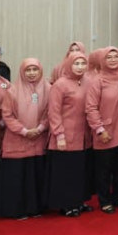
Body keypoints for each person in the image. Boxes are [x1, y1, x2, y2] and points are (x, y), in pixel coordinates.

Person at [0, 58, 48, 219]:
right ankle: (15, 210)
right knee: (17, 177)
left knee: (35, 176)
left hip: (39, 139)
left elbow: (50, 112)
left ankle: (35, 208)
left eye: (35, 69)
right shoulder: (12, 91)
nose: (31, 73)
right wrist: (25, 131)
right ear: (22, 72)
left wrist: (39, 129)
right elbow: (7, 115)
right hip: (16, 140)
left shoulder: (49, 89)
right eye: (28, 70)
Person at [86, 47, 118, 213]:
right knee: (103, 169)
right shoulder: (97, 81)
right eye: (109, 57)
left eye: (116, 56)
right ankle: (105, 200)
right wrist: (99, 129)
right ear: (102, 61)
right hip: (105, 131)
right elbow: (90, 108)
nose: (113, 60)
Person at [46, 50, 90, 218]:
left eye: (82, 63)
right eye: (76, 64)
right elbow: (53, 112)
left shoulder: (87, 82)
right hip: (64, 134)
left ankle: (77, 201)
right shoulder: (60, 84)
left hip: (82, 135)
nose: (80, 67)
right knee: (64, 171)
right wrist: (59, 135)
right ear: (68, 65)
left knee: (78, 171)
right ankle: (65, 205)